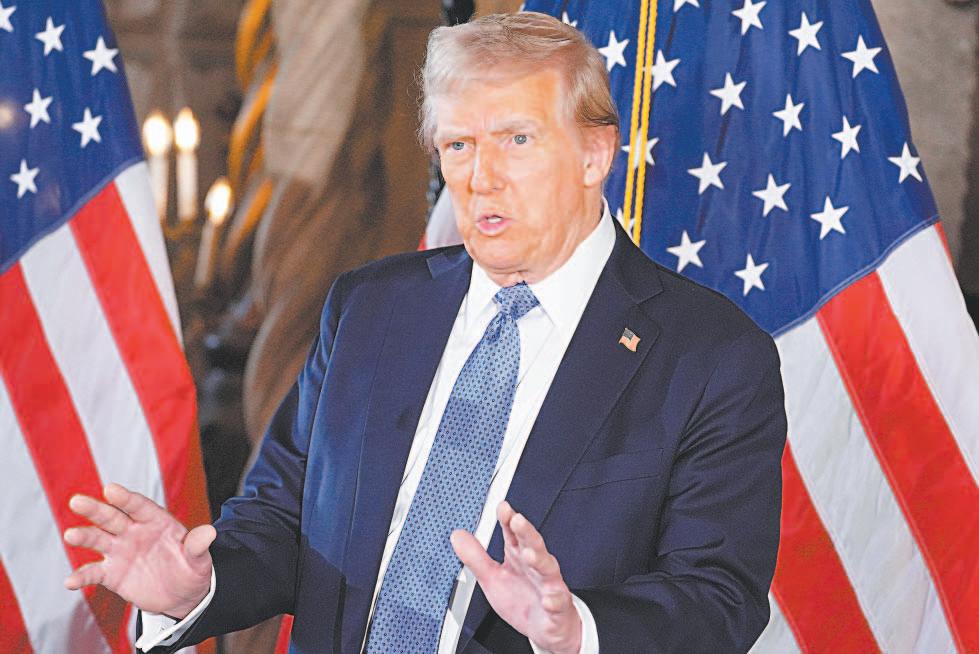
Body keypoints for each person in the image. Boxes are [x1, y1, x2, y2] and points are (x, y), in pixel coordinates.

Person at [63, 12, 786, 654]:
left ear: (594, 155)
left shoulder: (711, 355)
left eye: (517, 139)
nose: (481, 177)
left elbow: (717, 596)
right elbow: (282, 517)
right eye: (458, 145)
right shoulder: (371, 308)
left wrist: (578, 631)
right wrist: (199, 587)